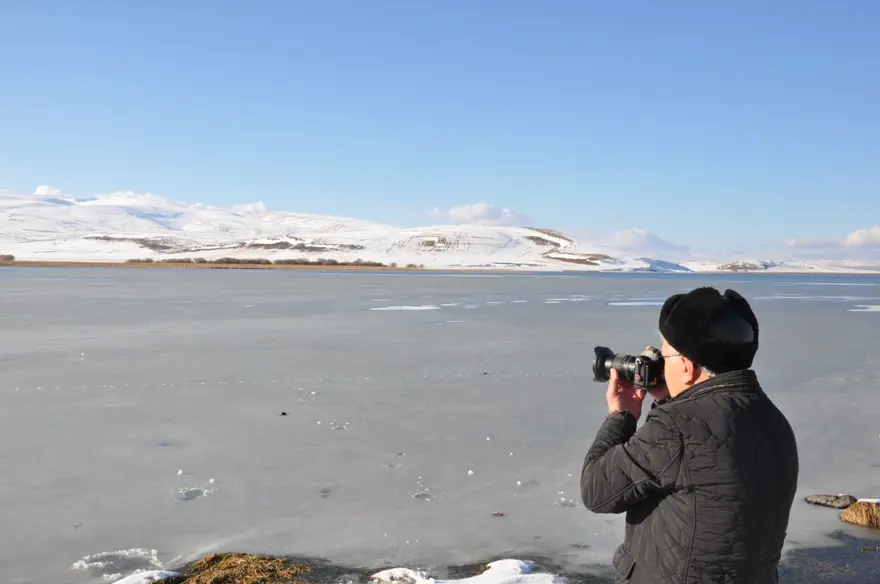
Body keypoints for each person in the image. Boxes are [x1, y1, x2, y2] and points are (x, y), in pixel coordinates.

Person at [580, 287, 799, 584]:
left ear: (685, 366)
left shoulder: (675, 428)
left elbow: (596, 490)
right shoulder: (772, 419)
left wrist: (622, 415)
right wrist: (673, 401)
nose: (659, 362)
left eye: (664, 354)